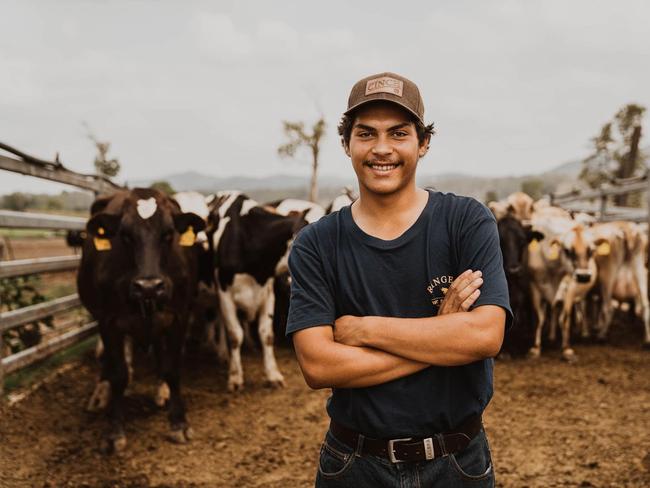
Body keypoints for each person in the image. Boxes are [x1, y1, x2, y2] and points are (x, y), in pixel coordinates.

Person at [286, 72, 512, 487]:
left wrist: (363, 329)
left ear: (423, 143)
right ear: (346, 143)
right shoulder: (315, 244)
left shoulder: (465, 221)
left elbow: (485, 337)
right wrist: (443, 334)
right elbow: (318, 365)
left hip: (456, 461)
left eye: (399, 133)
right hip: (355, 463)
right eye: (366, 134)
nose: (382, 149)